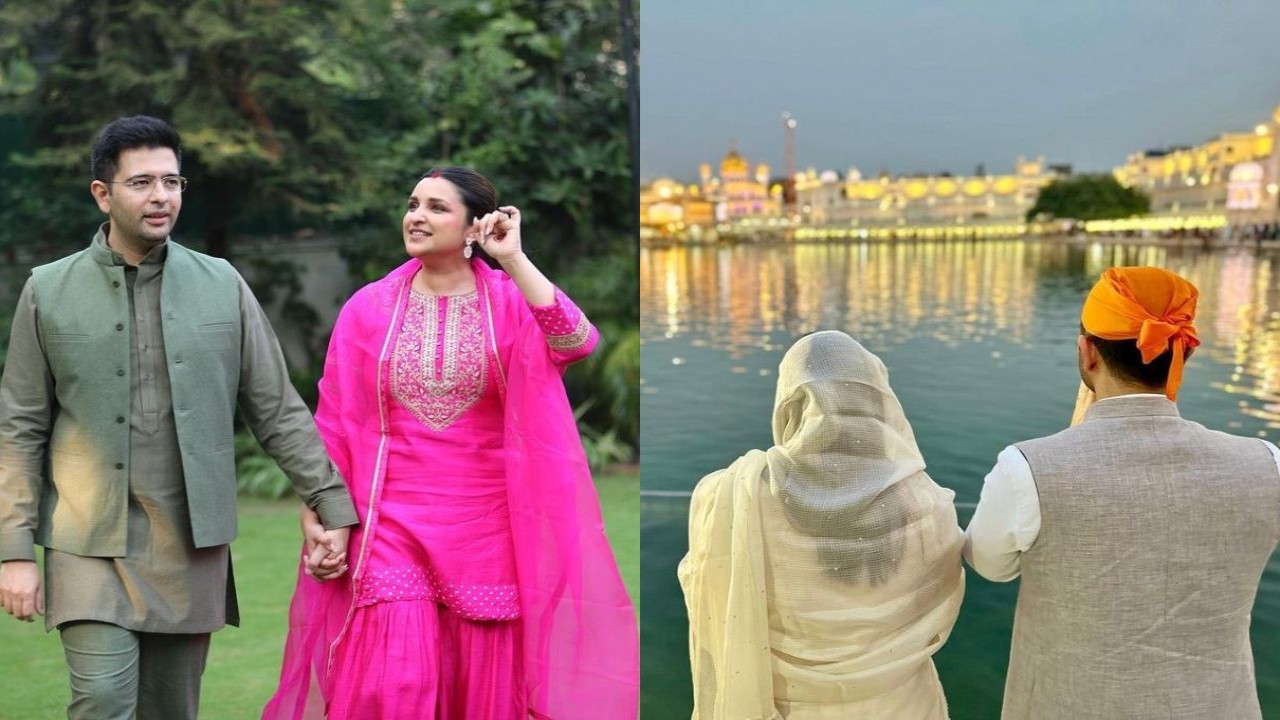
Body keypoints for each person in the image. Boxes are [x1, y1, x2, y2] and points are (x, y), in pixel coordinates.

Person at [0, 115, 358, 719]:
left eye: (172, 181)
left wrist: (332, 505)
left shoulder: (222, 284)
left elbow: (275, 408)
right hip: (86, 540)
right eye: (141, 183)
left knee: (171, 711)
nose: (161, 196)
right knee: (103, 700)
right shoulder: (47, 290)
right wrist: (13, 550)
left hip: (188, 544)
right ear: (103, 193)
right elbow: (21, 426)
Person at [262, 166, 639, 719]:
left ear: (472, 227)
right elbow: (337, 423)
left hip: (486, 527)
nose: (417, 216)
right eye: (413, 203)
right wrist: (320, 512)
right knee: (395, 684)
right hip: (389, 524)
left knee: (479, 691)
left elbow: (576, 340)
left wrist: (511, 256)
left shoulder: (510, 303)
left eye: (438, 208)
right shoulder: (368, 309)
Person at [965, 266, 1280, 719]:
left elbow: (989, 565)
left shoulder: (1029, 468)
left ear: (1088, 352)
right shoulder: (1265, 463)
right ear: (1182, 354)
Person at [678, 331, 966, 720]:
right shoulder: (929, 505)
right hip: (903, 706)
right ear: (878, 402)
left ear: (789, 403)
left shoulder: (732, 494)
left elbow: (710, 601)